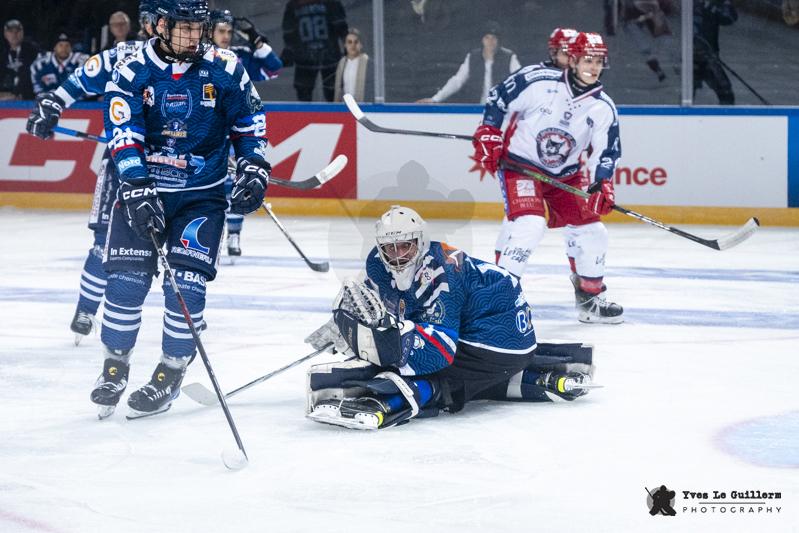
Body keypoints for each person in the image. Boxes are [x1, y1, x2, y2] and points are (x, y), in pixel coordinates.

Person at [89, 0, 271, 419]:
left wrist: (255, 166)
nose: (193, 37)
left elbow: (250, 123)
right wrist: (135, 183)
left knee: (186, 288)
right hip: (144, 192)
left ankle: (169, 373)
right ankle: (114, 368)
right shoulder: (134, 69)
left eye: (198, 28)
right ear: (162, 26)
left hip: (200, 199)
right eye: (184, 28)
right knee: (126, 284)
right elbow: (123, 131)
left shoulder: (225, 67)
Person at [305, 205, 596, 430]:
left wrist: (379, 346)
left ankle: (395, 398)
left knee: (426, 362)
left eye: (404, 245)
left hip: (498, 339)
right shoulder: (379, 263)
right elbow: (373, 297)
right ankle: (530, 376)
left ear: (420, 241)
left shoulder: (440, 274)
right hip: (500, 338)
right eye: (389, 247)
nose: (396, 255)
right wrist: (342, 326)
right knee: (412, 341)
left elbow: (439, 353)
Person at [26, 1, 159, 346]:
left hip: (170, 170)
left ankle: (177, 330)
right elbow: (81, 78)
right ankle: (86, 308)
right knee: (104, 244)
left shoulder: (197, 61)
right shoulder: (126, 52)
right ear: (149, 25)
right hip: (121, 161)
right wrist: (53, 103)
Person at [472, 32, 624, 325]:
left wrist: (601, 183)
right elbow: (498, 98)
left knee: (594, 232)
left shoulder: (603, 106)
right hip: (520, 165)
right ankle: (498, 301)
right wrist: (489, 131)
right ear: (574, 60)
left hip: (566, 175)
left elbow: (606, 153)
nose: (593, 67)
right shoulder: (539, 82)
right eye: (587, 60)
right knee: (530, 224)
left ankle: (590, 299)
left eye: (598, 62)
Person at [493, 27, 577, 263]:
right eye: (565, 53)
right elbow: (499, 104)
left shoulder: (582, 82)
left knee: (579, 224)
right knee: (524, 221)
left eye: (575, 53)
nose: (570, 59)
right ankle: (501, 279)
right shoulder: (532, 77)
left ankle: (586, 288)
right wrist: (491, 136)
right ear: (553, 52)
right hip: (523, 164)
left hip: (559, 168)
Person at [209, 9, 283, 257]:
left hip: (235, 127)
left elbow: (274, 69)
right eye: (221, 31)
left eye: (230, 32)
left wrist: (256, 40)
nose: (226, 36)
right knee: (209, 185)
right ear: (209, 31)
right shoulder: (198, 57)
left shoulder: (237, 57)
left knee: (235, 183)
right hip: (207, 129)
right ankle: (212, 234)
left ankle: (233, 235)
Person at [417, 22, 521, 104]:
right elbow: (457, 81)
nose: (490, 41)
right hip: (476, 110)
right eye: (487, 38)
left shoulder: (509, 57)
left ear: (498, 40)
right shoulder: (472, 57)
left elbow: (520, 80)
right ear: (482, 40)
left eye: (494, 38)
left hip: (502, 110)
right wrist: (436, 99)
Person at [281, 0, 348, 102]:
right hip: (318, 56)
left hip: (318, 56)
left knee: (330, 92)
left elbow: (289, 32)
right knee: (307, 92)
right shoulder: (294, 4)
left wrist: (289, 49)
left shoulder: (294, 4)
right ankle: (309, 115)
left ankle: (327, 115)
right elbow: (341, 27)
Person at [604, 0, 678, 82]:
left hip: (648, 12)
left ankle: (675, 65)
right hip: (633, 16)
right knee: (645, 45)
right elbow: (612, 7)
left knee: (663, 39)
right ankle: (660, 68)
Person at [694, 0, 737, 105]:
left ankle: (725, 119)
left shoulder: (714, 3)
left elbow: (729, 19)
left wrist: (722, 5)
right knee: (687, 95)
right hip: (690, 57)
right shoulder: (689, 4)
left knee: (726, 94)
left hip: (709, 57)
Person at [0, 19, 39, 100]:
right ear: (5, 34)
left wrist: (16, 94)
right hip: (6, 96)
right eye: (11, 31)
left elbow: (31, 74)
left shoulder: (32, 51)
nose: (14, 34)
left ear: (22, 33)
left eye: (17, 31)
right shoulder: (3, 53)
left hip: (29, 97)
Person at [333, 28, 369, 102]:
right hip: (344, 108)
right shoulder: (342, 63)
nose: (353, 45)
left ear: (361, 44)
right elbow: (338, 88)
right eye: (349, 42)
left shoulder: (366, 62)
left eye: (356, 42)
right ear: (345, 45)